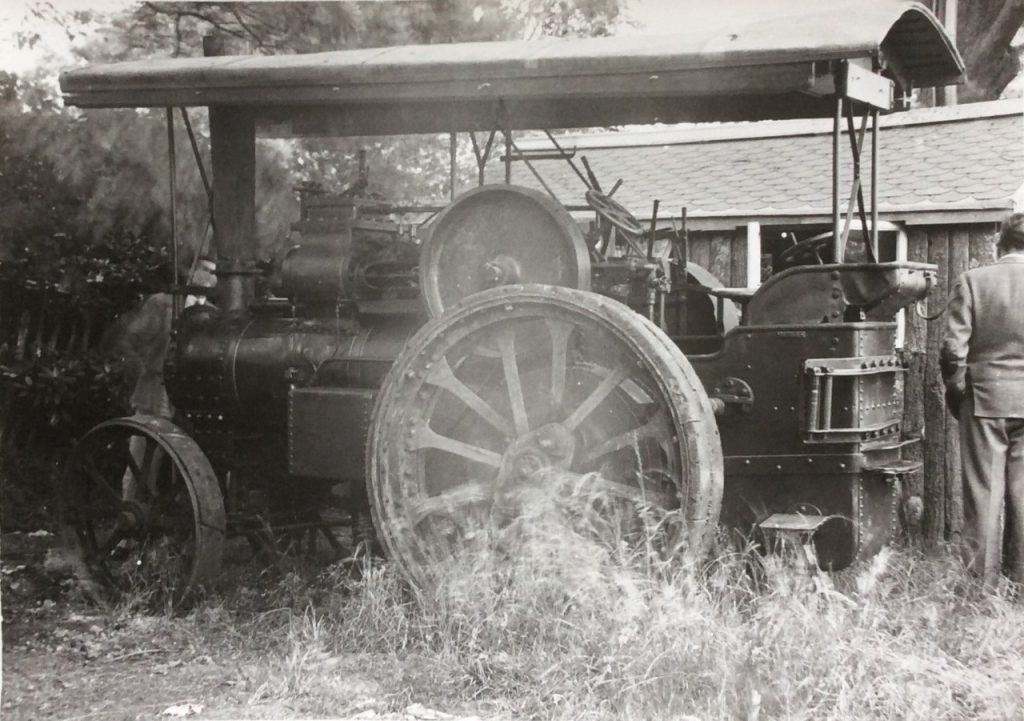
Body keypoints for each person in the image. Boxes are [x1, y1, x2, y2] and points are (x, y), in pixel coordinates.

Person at [941, 212, 1024, 588]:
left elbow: (952, 351)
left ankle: (982, 590)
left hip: (984, 400)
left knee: (983, 498)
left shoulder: (973, 281)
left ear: (1000, 242)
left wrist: (959, 392)